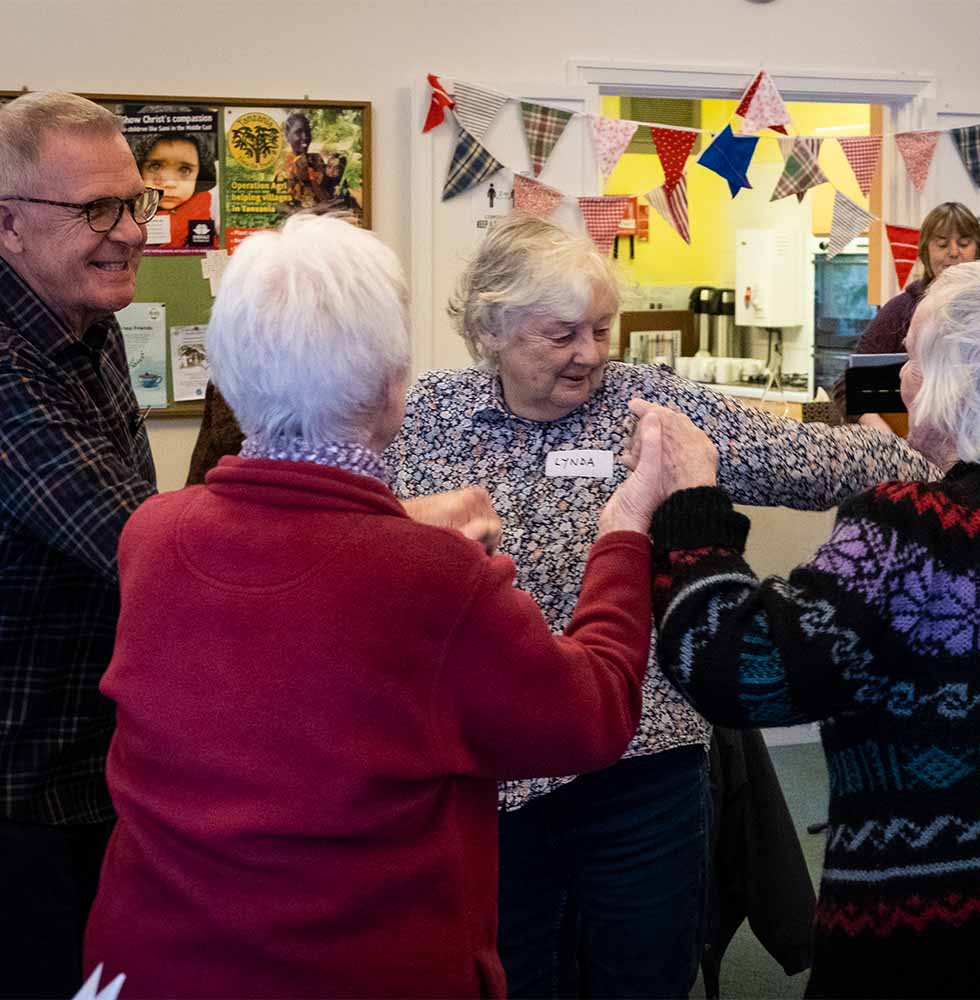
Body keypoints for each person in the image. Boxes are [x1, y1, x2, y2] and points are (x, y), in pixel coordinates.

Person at [83, 212, 676, 998]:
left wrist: (398, 526)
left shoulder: (152, 536)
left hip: (148, 964)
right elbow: (593, 713)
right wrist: (627, 528)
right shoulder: (433, 577)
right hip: (352, 966)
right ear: (392, 383)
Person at [385, 214, 938, 999]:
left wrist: (931, 460)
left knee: (645, 976)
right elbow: (339, 528)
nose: (590, 354)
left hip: (642, 760)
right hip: (493, 767)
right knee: (509, 975)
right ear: (490, 329)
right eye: (563, 334)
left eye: (602, 329)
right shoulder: (424, 420)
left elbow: (800, 461)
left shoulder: (648, 408)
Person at [642, 257, 980, 998]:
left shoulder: (915, 528)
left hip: (922, 930)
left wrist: (694, 508)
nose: (899, 379)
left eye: (911, 359)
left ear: (947, 379)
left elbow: (741, 668)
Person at [0, 91, 162, 997]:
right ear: (8, 225)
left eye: (135, 202)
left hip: (90, 776)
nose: (132, 231)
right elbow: (131, 543)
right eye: (97, 208)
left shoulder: (84, 321)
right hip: (18, 801)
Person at [836, 201, 980, 428]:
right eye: (942, 244)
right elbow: (846, 388)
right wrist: (889, 441)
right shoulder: (900, 310)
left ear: (978, 250)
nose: (954, 252)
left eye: (964, 243)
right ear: (926, 251)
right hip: (909, 450)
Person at [127, 113, 217, 251]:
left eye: (185, 170)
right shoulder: (124, 217)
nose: (169, 183)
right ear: (138, 169)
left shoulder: (210, 219)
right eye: (155, 166)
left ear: (199, 173)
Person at [273, 111, 349, 213]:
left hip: (326, 213)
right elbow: (280, 207)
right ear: (287, 136)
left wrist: (338, 170)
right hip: (304, 221)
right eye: (298, 132)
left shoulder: (315, 159)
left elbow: (326, 187)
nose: (305, 137)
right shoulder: (284, 169)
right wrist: (317, 210)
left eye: (307, 132)